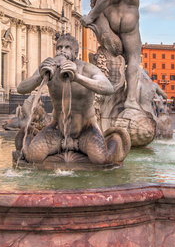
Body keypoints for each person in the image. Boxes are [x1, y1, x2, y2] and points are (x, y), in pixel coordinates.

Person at [15, 34, 122, 164]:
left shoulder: (86, 68)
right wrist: (41, 77)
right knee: (33, 157)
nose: (62, 50)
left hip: (85, 129)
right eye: (59, 47)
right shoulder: (49, 68)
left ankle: (114, 140)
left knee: (100, 159)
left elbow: (108, 88)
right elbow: (21, 89)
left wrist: (77, 77)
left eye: (67, 47)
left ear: (75, 52)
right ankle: (31, 137)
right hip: (57, 129)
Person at [80, 0, 145, 111]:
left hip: (110, 17)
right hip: (131, 17)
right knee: (133, 59)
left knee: (107, 57)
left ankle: (104, 99)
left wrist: (91, 16)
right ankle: (131, 100)